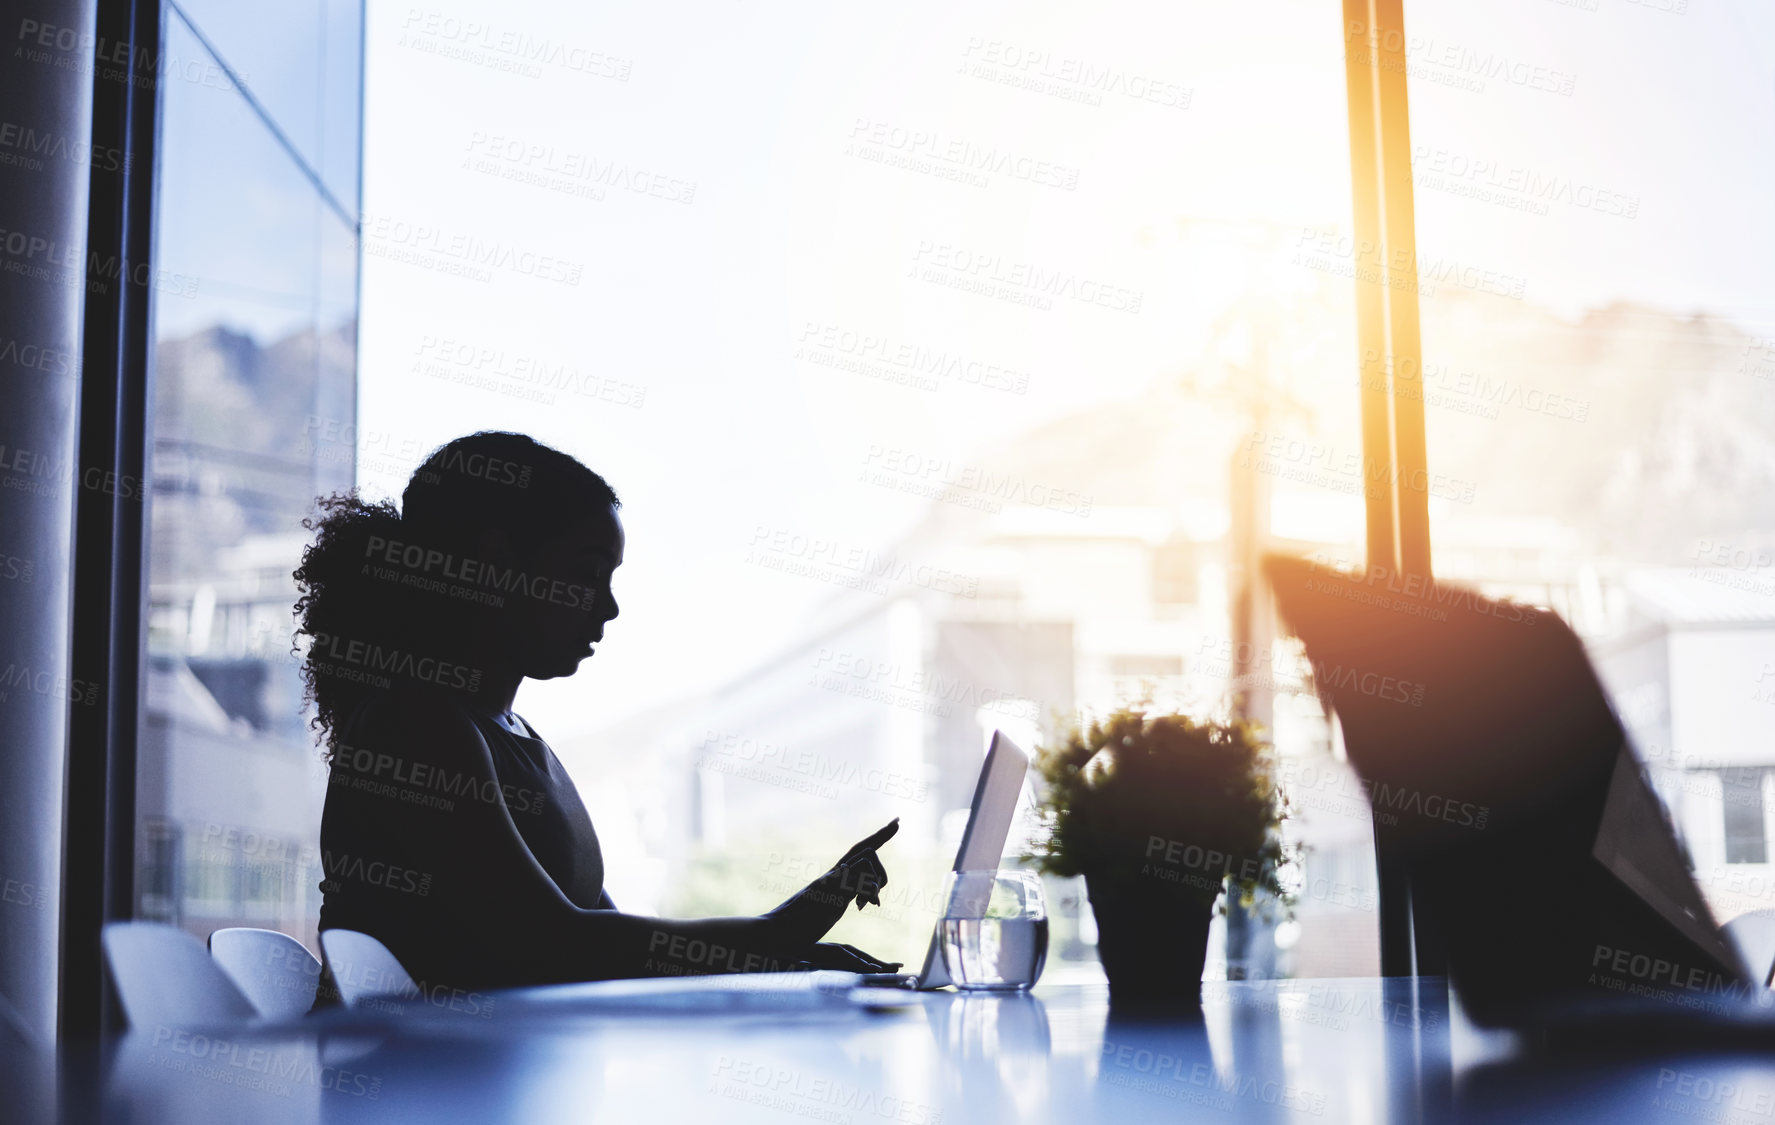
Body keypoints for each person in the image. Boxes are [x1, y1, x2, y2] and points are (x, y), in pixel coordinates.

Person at [294, 431, 900, 998]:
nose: (608, 608)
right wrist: (781, 933)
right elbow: (557, 943)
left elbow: (608, 941)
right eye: (586, 574)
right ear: (494, 562)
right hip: (409, 1100)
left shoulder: (508, 737)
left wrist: (788, 959)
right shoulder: (417, 728)